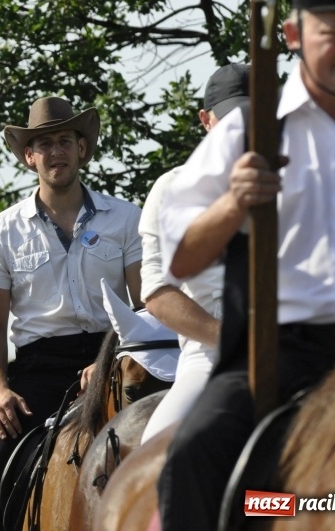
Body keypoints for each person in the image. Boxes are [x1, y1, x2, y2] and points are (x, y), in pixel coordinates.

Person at [155, 1, 335, 529]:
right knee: (192, 454)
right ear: (292, 34)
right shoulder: (248, 127)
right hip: (273, 353)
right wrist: (232, 204)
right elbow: (178, 258)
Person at [0, 96, 143, 530]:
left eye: (65, 140)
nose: (56, 152)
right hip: (38, 369)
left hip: (117, 358)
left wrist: (109, 361)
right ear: (29, 157)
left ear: (82, 148)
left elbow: (143, 307)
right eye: (44, 144)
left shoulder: (127, 219)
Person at [138, 64, 250, 445]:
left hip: (297, 352)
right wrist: (234, 338)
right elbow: (158, 294)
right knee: (156, 450)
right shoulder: (171, 189)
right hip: (210, 357)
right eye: (232, 120)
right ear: (206, 120)